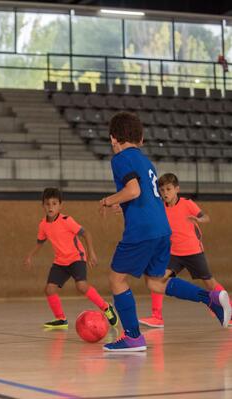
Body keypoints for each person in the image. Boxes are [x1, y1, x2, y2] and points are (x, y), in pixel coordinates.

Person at [100, 112, 231, 352]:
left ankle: (133, 337)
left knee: (116, 279)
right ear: (139, 138)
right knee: (156, 282)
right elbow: (143, 194)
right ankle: (210, 298)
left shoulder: (119, 158)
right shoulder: (145, 161)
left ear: (113, 139)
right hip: (161, 228)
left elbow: (133, 190)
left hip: (142, 230)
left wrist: (109, 200)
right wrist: (124, 204)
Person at [139, 173, 232, 327]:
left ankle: (229, 311)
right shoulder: (160, 207)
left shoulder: (187, 203)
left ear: (177, 189)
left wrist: (199, 219)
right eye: (162, 190)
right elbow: (144, 214)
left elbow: (206, 217)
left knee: (209, 283)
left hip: (193, 251)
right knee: (158, 278)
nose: (165, 193)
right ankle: (157, 317)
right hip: (173, 254)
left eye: (168, 189)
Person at [24, 187, 118, 330]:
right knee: (49, 289)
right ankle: (61, 319)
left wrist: (91, 253)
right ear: (43, 205)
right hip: (60, 261)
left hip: (76, 258)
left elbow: (86, 233)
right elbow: (40, 242)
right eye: (47, 204)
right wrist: (30, 256)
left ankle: (106, 308)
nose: (51, 207)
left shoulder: (67, 221)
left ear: (61, 205)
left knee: (81, 286)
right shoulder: (43, 225)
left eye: (54, 204)